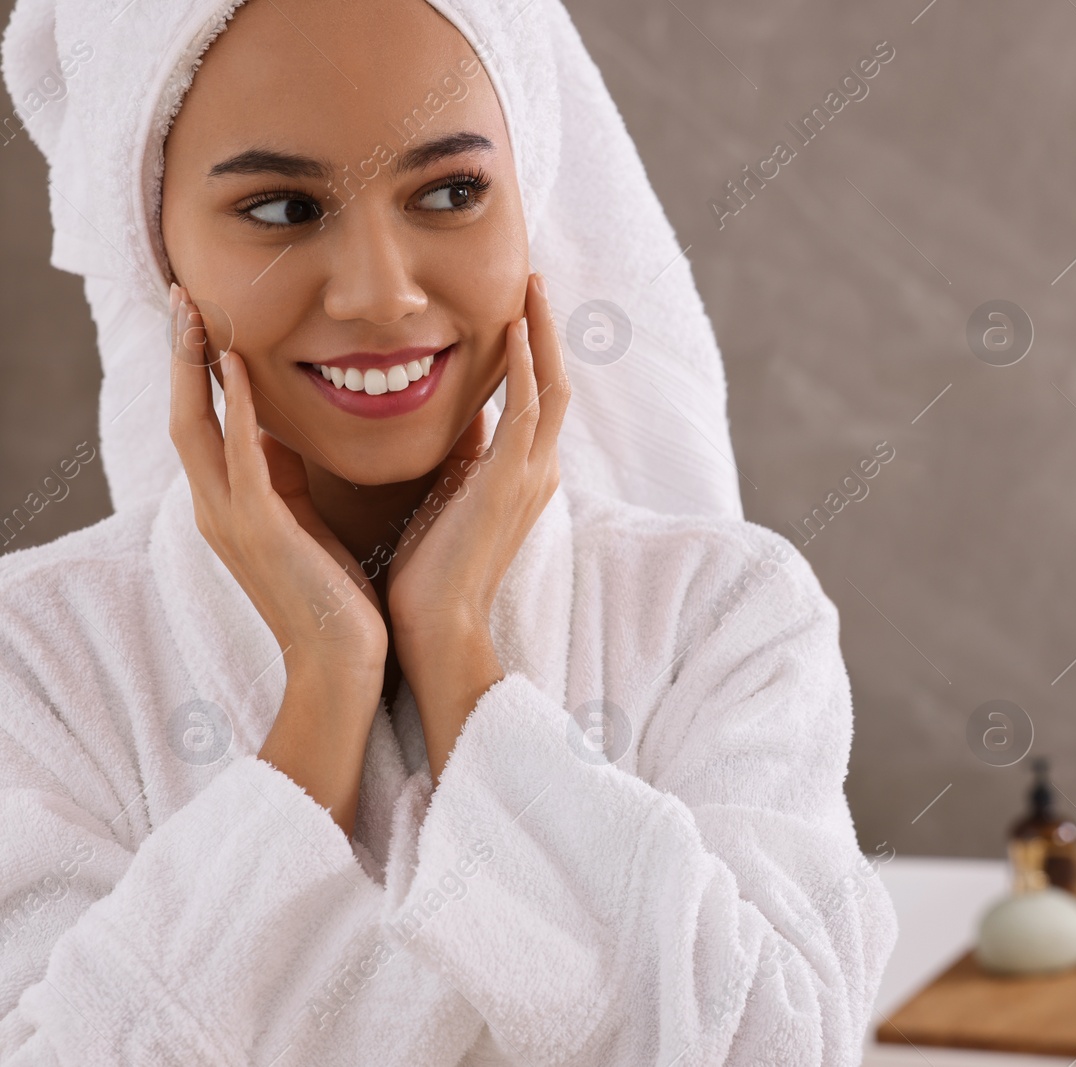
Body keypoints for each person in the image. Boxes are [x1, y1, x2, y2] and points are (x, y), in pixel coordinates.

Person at [0, 0, 895, 1063]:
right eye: (282, 208)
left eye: (452, 192)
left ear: (531, 208)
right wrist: (324, 690)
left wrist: (461, 654)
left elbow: (774, 1045)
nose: (381, 292)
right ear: (161, 253)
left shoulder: (722, 615)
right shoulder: (38, 654)